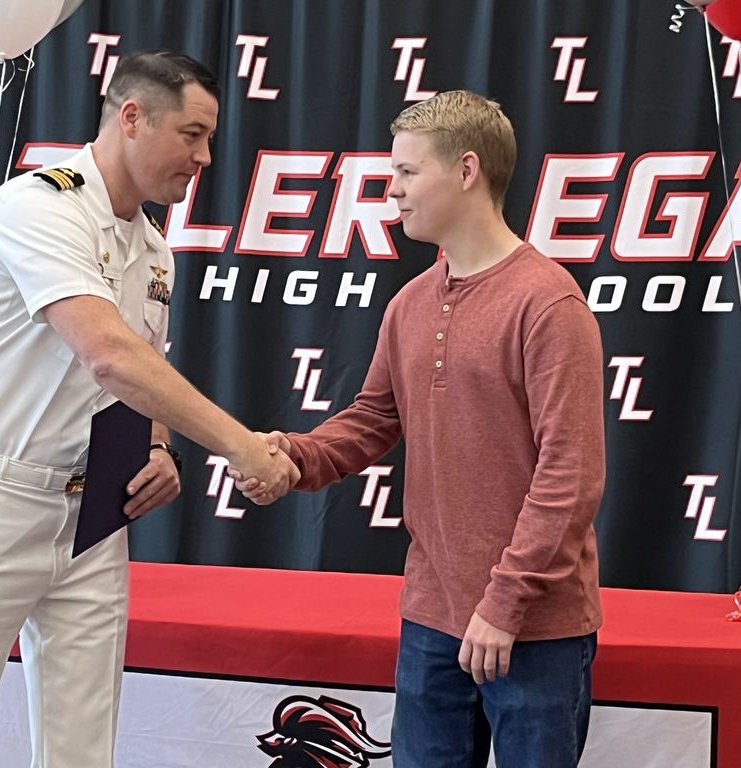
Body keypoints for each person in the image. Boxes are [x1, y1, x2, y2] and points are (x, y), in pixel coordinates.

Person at [0, 50, 298, 768]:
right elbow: (106, 351)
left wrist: (162, 446)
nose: (203, 157)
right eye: (191, 134)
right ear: (131, 117)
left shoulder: (155, 251)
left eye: (208, 139)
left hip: (91, 516)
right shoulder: (37, 209)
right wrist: (240, 446)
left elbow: (140, 372)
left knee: (82, 748)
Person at [236, 91, 605, 767]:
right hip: (432, 619)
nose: (393, 189)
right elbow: (375, 418)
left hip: (534, 629)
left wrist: (504, 602)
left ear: (466, 171)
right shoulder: (410, 303)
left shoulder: (549, 304)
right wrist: (293, 457)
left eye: (408, 173)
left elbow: (571, 474)